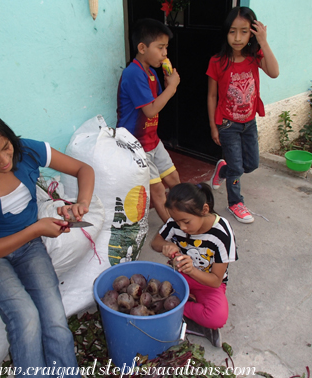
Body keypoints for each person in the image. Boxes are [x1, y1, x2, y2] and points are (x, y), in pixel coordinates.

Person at [0, 106, 94, 377]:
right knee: (25, 317)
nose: (4, 160)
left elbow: (84, 169)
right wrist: (35, 229)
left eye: (5, 147)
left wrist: (81, 203)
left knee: (55, 319)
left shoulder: (27, 151)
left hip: (29, 248)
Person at [207, 6, 279, 224]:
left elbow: (274, 72)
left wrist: (264, 42)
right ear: (226, 32)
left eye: (244, 31)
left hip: (249, 122)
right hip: (228, 124)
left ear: (252, 33)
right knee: (238, 169)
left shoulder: (254, 56)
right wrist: (213, 127)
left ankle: (223, 168)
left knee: (251, 164)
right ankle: (235, 203)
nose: (237, 38)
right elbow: (211, 96)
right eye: (232, 31)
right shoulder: (217, 61)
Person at [151, 182, 237, 347]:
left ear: (204, 210)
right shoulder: (175, 223)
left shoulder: (222, 233)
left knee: (217, 317)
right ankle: (178, 309)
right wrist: (166, 246)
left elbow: (216, 280)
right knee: (152, 287)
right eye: (177, 221)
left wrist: (193, 271)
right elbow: (155, 243)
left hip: (207, 283)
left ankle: (174, 307)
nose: (182, 227)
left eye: (186, 222)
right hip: (179, 275)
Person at [117, 18, 181, 223]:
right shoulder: (133, 73)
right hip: (136, 144)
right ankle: (172, 228)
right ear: (142, 47)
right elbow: (151, 110)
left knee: (174, 180)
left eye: (166, 48)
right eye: (160, 47)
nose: (165, 53)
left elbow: (157, 102)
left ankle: (184, 215)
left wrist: (167, 82)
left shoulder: (151, 72)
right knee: (158, 189)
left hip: (152, 139)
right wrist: (172, 87)